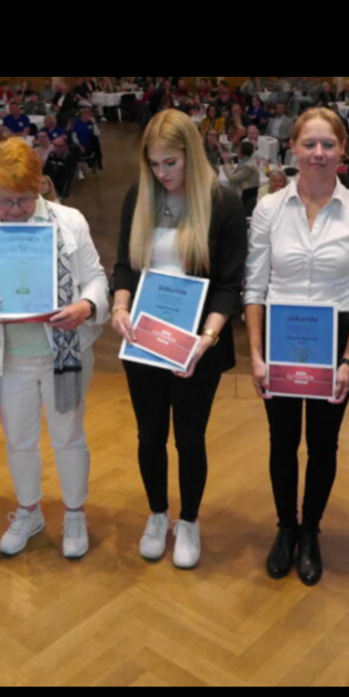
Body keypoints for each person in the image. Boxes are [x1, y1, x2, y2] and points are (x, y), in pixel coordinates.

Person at [245, 109, 349, 586]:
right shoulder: (268, 208)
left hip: (335, 343)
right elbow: (254, 288)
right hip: (280, 339)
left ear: (343, 150)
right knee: (282, 440)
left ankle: (311, 531)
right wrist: (256, 355)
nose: (318, 154)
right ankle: (286, 526)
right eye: (309, 144)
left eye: (328, 145)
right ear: (293, 148)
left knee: (323, 443)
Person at [0, 139, 109, 559]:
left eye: (25, 199)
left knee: (68, 436)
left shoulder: (68, 221)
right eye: (6, 201)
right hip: (8, 358)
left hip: (64, 354)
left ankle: (74, 512)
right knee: (19, 441)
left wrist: (85, 306)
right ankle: (29, 511)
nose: (16, 209)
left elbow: (96, 279)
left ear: (40, 185)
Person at [111, 109, 246, 569]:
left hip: (197, 344)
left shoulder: (223, 204)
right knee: (149, 435)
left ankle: (188, 520)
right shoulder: (139, 196)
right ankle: (157, 514)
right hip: (144, 339)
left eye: (170, 163)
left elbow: (228, 284)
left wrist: (207, 337)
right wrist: (120, 307)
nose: (162, 173)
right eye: (154, 164)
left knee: (189, 438)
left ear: (191, 154)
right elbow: (125, 266)